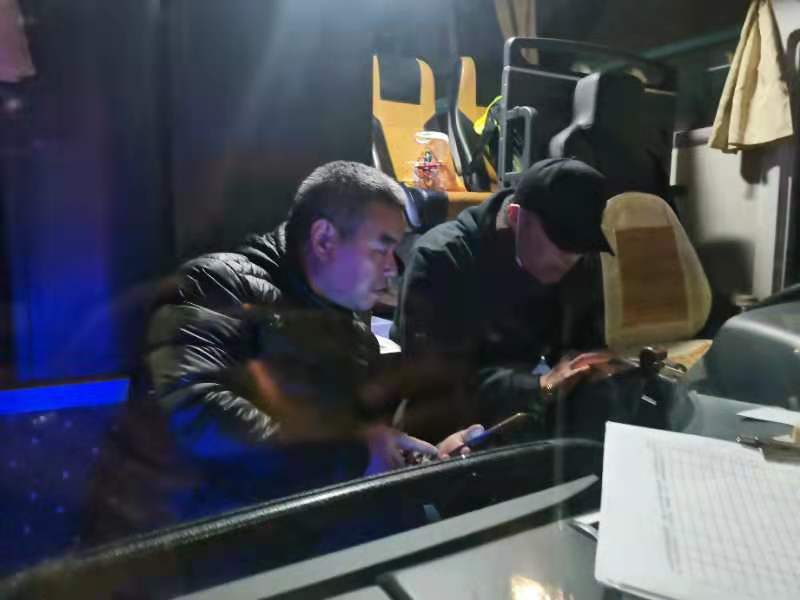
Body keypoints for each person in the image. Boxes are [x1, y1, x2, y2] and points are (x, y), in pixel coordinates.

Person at [86, 161, 480, 541]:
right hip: (199, 549)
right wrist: (352, 455)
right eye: (382, 248)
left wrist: (412, 461)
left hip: (303, 536)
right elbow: (194, 411)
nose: (394, 267)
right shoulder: (217, 284)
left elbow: (346, 442)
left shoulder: (350, 328)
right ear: (324, 239)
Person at [392, 158, 613, 432]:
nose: (569, 258)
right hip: (444, 424)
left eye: (581, 245)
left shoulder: (577, 258)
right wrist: (540, 386)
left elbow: (583, 341)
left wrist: (589, 367)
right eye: (559, 239)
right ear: (515, 216)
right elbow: (436, 386)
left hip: (526, 404)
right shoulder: (441, 260)